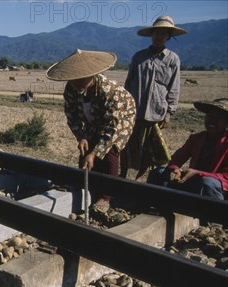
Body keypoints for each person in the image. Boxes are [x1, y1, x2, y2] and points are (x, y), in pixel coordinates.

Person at [46, 49, 136, 212]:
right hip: (92, 117)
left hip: (121, 117)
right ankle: (84, 187)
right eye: (74, 80)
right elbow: (72, 115)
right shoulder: (71, 89)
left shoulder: (109, 92)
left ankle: (106, 196)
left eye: (82, 80)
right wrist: (81, 136)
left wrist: (95, 154)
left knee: (110, 152)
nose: (77, 84)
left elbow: (110, 127)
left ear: (92, 75)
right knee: (86, 148)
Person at [124, 16, 187, 181]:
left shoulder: (172, 59)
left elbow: (174, 87)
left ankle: (145, 177)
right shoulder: (139, 57)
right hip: (135, 110)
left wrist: (169, 112)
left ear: (168, 36)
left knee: (152, 148)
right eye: (156, 33)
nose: (159, 36)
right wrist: (124, 105)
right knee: (129, 145)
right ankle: (124, 175)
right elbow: (129, 82)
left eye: (163, 33)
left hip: (156, 111)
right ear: (152, 35)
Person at [148, 98, 228, 200]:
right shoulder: (197, 138)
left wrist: (199, 173)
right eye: (209, 116)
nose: (212, 120)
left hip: (218, 190)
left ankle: (214, 214)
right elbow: (177, 159)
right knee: (159, 172)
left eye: (218, 118)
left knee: (208, 183)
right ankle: (159, 205)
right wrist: (175, 169)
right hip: (194, 182)